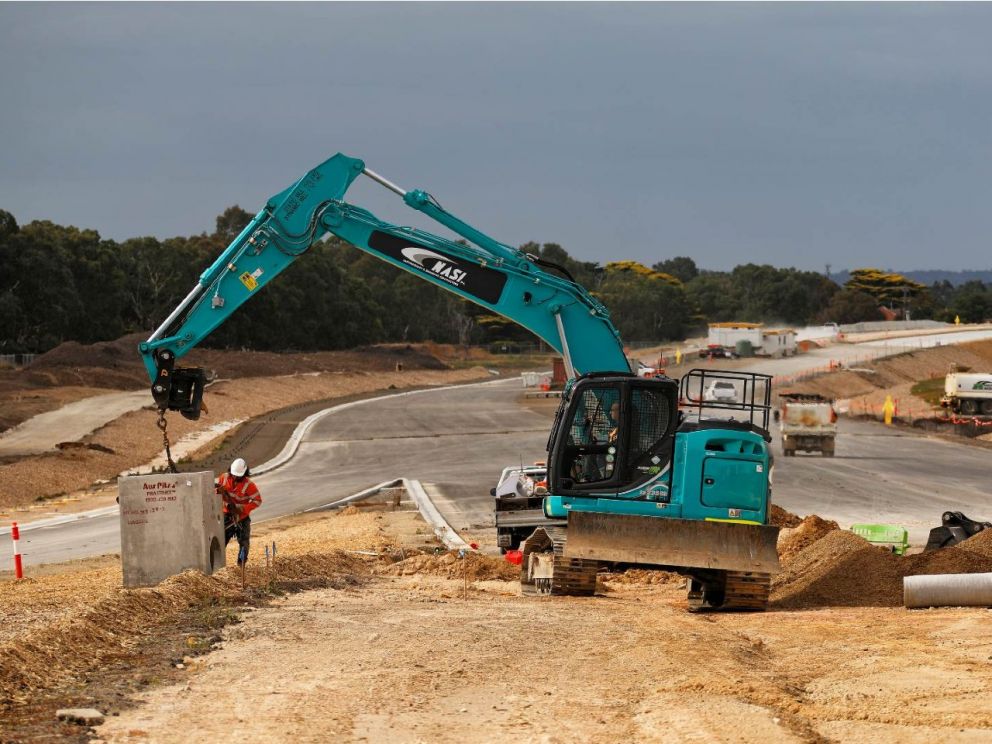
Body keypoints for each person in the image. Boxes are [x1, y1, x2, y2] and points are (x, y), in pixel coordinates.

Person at [216, 458, 262, 566]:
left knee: (244, 542)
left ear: (244, 473)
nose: (236, 477)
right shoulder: (224, 478)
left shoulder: (249, 485)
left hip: (242, 518)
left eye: (238, 476)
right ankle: (218, 565)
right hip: (227, 515)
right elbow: (216, 494)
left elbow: (257, 501)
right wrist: (218, 492)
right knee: (221, 541)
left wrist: (241, 508)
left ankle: (241, 565)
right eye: (234, 475)